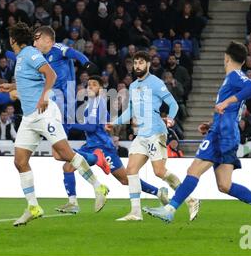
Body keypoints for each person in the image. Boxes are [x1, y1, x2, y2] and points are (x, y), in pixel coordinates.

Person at [143, 42, 251, 230]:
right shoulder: (232, 79)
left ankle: (170, 209)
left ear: (226, 57)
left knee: (193, 170)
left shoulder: (235, 76)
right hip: (225, 130)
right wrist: (211, 122)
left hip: (222, 133)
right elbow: (233, 108)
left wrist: (226, 103)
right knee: (224, 185)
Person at [0, 22, 109, 227]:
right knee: (20, 161)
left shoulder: (30, 53)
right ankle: (33, 207)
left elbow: (52, 75)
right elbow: (33, 80)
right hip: (30, 117)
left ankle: (98, 186)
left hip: (45, 112)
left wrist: (45, 96)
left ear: (13, 40)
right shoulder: (24, 57)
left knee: (65, 154)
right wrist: (10, 86)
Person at [56, 76, 169, 214]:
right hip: (90, 146)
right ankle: (73, 203)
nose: (90, 87)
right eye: (88, 84)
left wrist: (69, 124)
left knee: (125, 179)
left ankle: (158, 192)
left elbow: (91, 128)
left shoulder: (98, 103)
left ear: (101, 89)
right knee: (67, 167)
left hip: (103, 148)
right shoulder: (90, 104)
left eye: (94, 84)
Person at [112, 51, 200, 221]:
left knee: (159, 172)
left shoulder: (156, 82)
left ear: (148, 65)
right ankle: (135, 212)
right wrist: (115, 121)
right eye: (135, 63)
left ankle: (190, 200)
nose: (137, 66)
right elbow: (130, 111)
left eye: (141, 63)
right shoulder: (132, 86)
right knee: (131, 170)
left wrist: (170, 119)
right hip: (141, 135)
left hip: (156, 132)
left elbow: (172, 104)